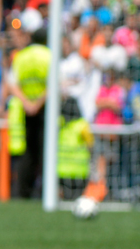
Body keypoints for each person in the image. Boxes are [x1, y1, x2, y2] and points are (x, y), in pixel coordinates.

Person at [6, 27, 51, 199]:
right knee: (45, 151)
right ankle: (45, 193)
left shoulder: (21, 56)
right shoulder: (49, 55)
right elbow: (54, 84)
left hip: (26, 110)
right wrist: (38, 103)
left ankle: (24, 192)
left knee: (28, 153)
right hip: (45, 109)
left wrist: (27, 103)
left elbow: (12, 84)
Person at [57, 97, 94, 200]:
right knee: (76, 197)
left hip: (62, 168)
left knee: (66, 197)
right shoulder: (82, 124)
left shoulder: (60, 123)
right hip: (79, 169)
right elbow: (90, 143)